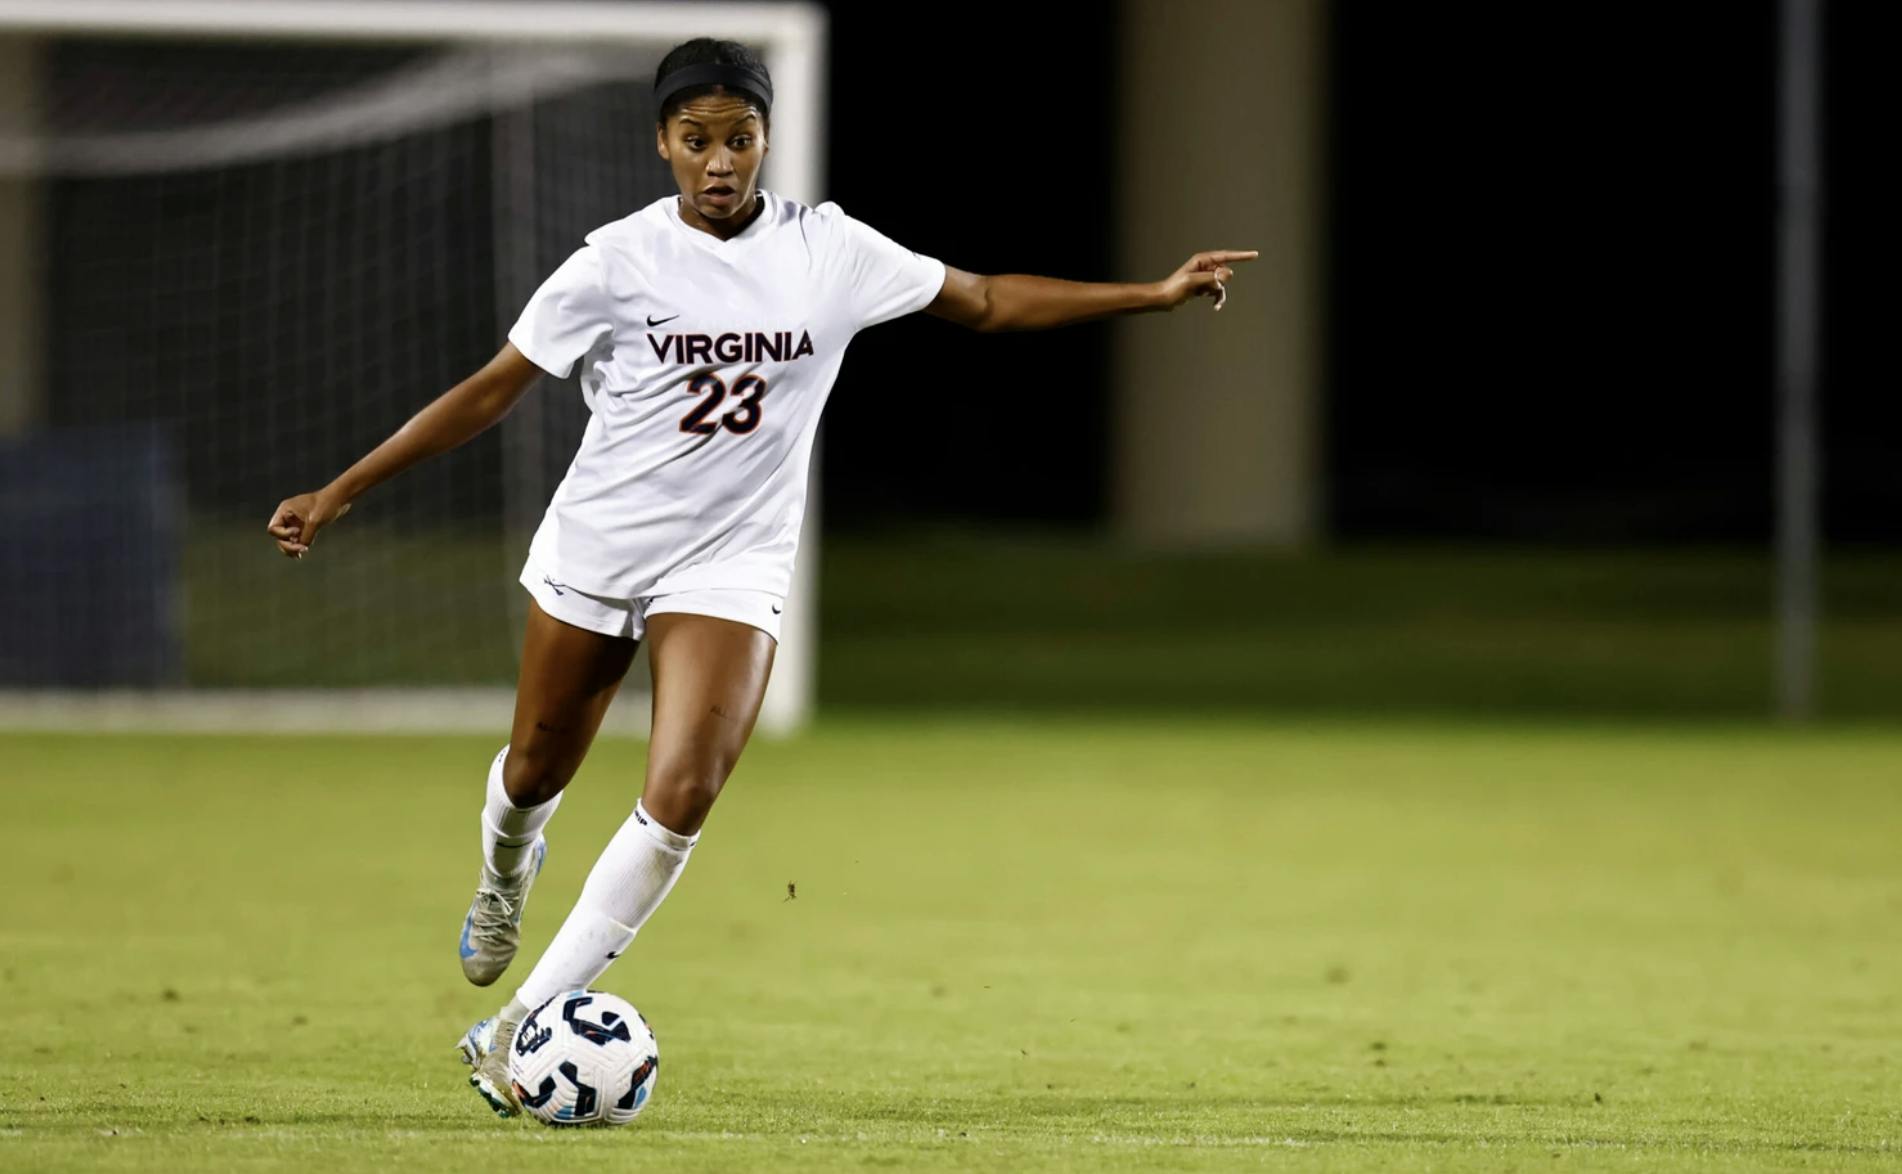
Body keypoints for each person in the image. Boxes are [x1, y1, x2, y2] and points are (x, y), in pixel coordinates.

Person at [265, 36, 1256, 1118]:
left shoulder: (826, 249)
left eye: (740, 138)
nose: (721, 161)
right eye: (697, 141)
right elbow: (494, 387)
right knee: (537, 767)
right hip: (601, 546)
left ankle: (514, 1027)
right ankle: (506, 874)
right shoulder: (615, 261)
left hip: (731, 561)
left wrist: (1152, 296)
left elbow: (980, 299)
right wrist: (342, 489)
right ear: (662, 145)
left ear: (766, 138)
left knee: (682, 793)